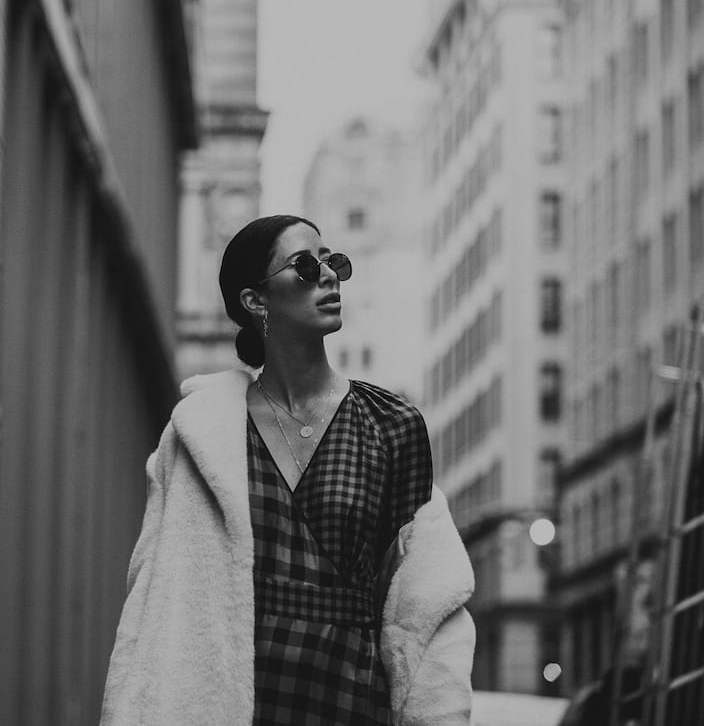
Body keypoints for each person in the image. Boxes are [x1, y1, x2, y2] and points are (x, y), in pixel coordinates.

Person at [101, 214, 475, 725]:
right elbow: (155, 598)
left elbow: (426, 602)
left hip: (349, 700)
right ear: (255, 302)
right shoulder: (200, 435)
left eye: (332, 261)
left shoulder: (391, 426)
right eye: (304, 265)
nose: (328, 275)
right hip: (233, 703)